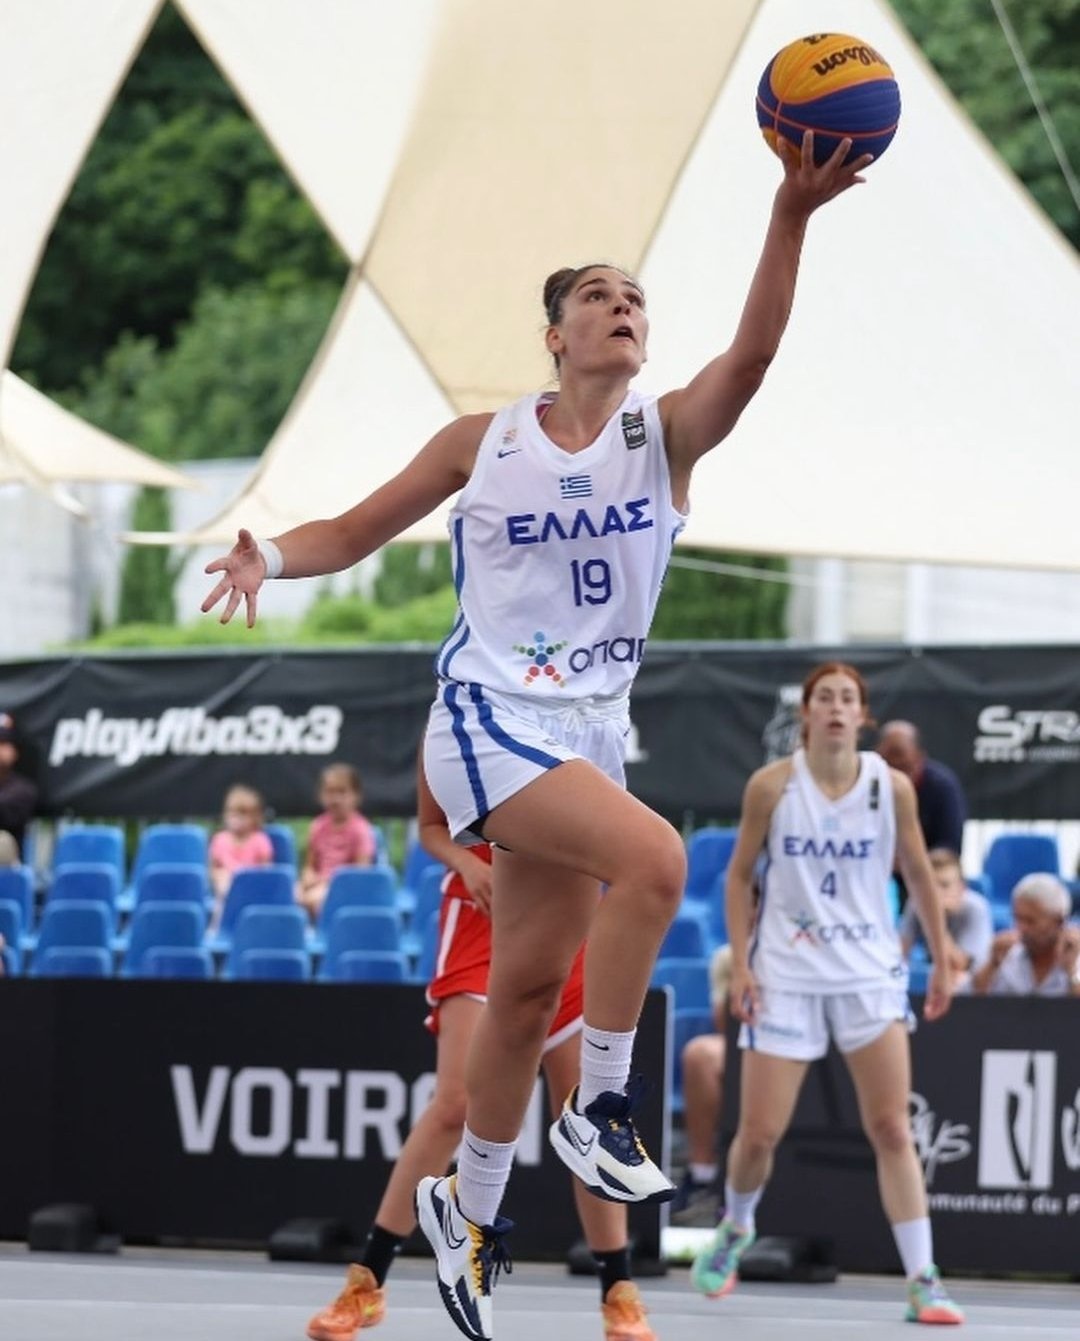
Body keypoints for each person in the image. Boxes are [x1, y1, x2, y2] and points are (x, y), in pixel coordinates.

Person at [204, 129, 873, 1341]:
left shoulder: (664, 436)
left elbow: (757, 352)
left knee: (520, 1002)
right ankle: (604, 1110)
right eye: (598, 297)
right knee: (659, 858)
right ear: (555, 335)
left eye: (635, 298)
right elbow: (351, 532)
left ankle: (469, 1215)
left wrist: (792, 211)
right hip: (484, 715)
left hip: (589, 732)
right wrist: (273, 557)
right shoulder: (486, 441)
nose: (622, 307)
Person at [306, 760, 656, 1341]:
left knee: (584, 1114)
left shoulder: (585, 721)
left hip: (564, 917)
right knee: (455, 1104)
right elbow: (430, 827)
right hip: (481, 920)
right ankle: (366, 1283)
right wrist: (468, 864)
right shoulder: (456, 720)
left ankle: (618, 1293)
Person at [691, 663, 964, 1325]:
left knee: (892, 1127)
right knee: (759, 1134)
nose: (837, 707)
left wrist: (940, 956)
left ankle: (923, 1279)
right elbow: (738, 878)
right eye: (825, 698)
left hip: (868, 974)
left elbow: (920, 873)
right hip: (786, 974)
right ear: (807, 713)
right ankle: (736, 1224)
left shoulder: (890, 786)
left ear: (862, 716)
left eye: (848, 698)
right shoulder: (772, 785)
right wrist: (743, 964)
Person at [670, 945, 733, 1226]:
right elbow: (726, 1023)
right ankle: (703, 1175)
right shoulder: (729, 958)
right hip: (753, 1044)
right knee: (700, 1055)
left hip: (810, 1047)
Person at [971, 873, 1080, 997]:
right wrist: (992, 965)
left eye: (1030, 921)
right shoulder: (1006, 953)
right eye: (1017, 918)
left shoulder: (1076, 956)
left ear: (1058, 922)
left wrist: (1072, 972)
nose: (1021, 928)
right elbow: (969, 1001)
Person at [899, 848, 992, 993]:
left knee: (956, 979)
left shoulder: (977, 908)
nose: (935, 893)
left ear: (961, 888)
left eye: (944, 885)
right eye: (930, 886)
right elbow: (900, 955)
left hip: (971, 983)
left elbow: (959, 965)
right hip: (935, 972)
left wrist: (936, 919)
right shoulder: (916, 903)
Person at [297, 763, 378, 920]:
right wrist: (308, 876)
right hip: (319, 884)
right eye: (330, 792)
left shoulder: (362, 830)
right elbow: (310, 865)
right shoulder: (317, 826)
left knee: (316, 900)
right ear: (320, 795)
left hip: (346, 888)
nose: (335, 799)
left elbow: (361, 874)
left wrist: (328, 883)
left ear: (356, 796)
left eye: (342, 792)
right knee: (293, 895)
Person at [877, 721, 967, 858]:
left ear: (919, 758)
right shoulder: (866, 782)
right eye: (889, 767)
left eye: (904, 768)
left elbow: (949, 847)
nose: (898, 779)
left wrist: (913, 861)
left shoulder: (942, 786)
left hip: (928, 862)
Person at [208, 783, 274, 916]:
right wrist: (219, 876)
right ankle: (220, 923)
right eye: (232, 813)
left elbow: (267, 869)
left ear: (255, 817)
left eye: (243, 814)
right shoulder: (219, 839)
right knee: (223, 881)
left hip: (253, 887)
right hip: (225, 891)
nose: (237, 819)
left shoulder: (260, 840)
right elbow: (213, 868)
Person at [0, 712, 38, 863]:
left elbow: (4, 813)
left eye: (3, 744)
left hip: (7, 868)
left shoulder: (23, 790)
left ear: (15, 752)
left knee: (2, 841)